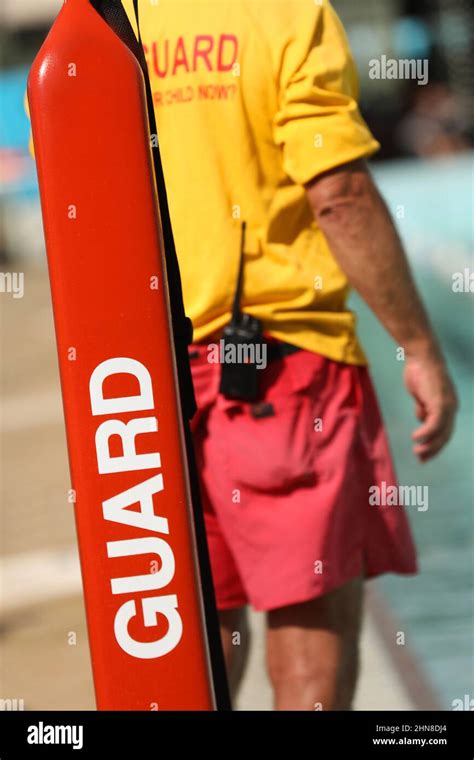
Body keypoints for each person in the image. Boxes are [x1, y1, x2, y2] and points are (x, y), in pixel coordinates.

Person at [124, 0, 458, 709]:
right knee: (310, 626)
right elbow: (337, 192)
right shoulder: (283, 13)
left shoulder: (107, 18)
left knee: (197, 618)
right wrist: (420, 346)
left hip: (140, 376)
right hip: (278, 361)